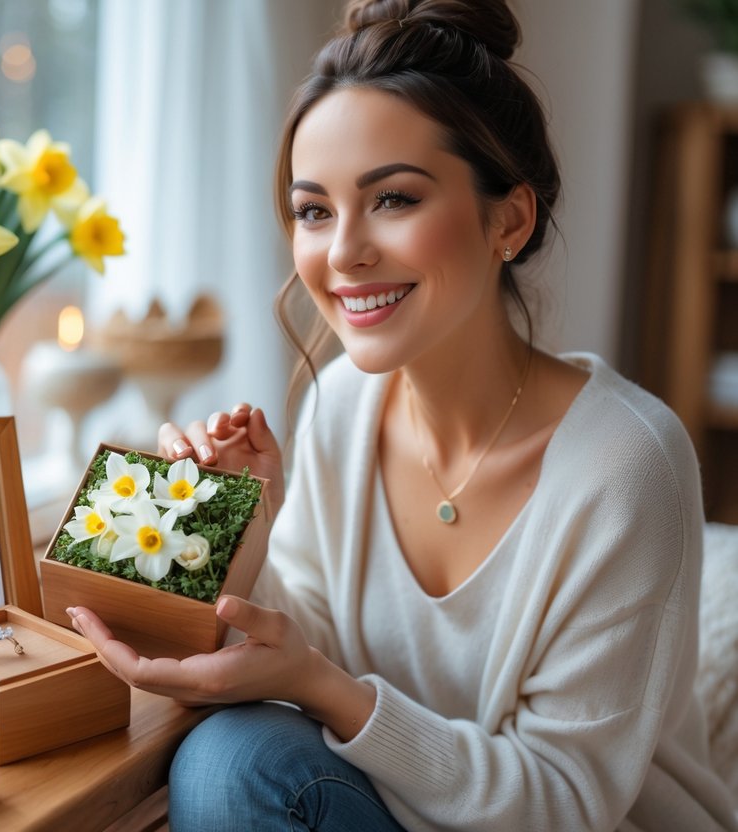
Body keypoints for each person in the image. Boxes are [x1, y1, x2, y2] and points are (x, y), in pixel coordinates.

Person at [65, 2, 738, 830]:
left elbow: (562, 802)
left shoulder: (625, 464)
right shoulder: (344, 401)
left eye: (392, 199)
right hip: (400, 807)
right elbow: (315, 636)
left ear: (509, 219)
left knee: (232, 763)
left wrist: (319, 687)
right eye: (314, 210)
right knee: (226, 758)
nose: (342, 251)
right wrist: (247, 534)